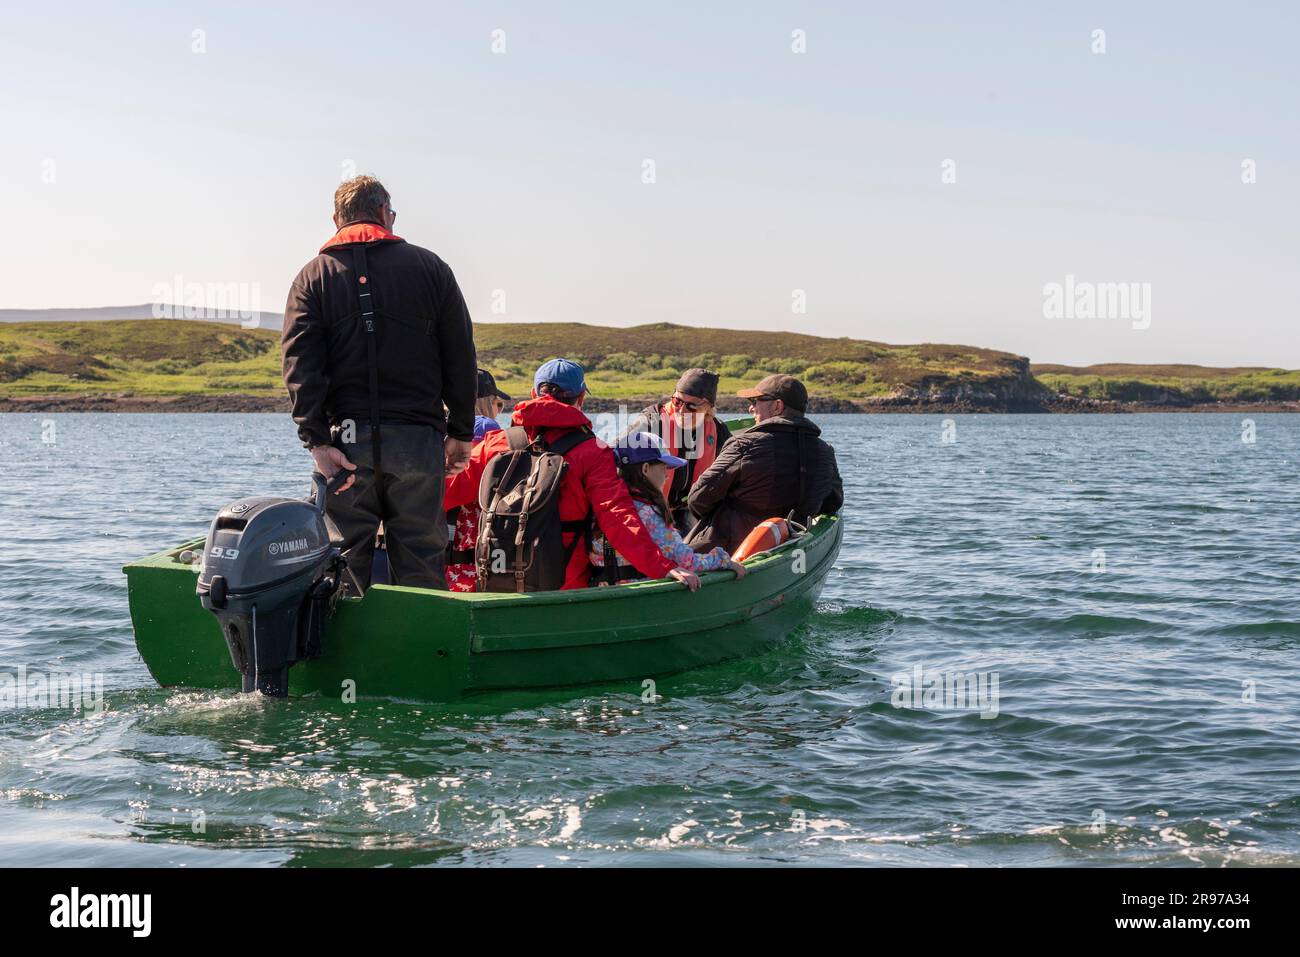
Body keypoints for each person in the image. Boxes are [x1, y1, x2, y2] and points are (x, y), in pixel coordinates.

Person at [282, 175, 477, 590]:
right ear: (386, 213)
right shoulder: (432, 268)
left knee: (343, 562)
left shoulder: (312, 277)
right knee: (423, 560)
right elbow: (460, 356)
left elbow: (300, 368)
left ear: (336, 219)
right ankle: (425, 649)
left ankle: (349, 651)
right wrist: (461, 430)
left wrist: (317, 441)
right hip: (417, 441)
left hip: (345, 448)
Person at [443, 358, 697, 590]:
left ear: (534, 394)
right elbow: (617, 515)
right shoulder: (594, 451)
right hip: (565, 583)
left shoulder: (496, 443)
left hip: (498, 576)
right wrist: (662, 567)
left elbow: (441, 494)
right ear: (581, 398)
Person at [686, 374, 843, 554]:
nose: (751, 407)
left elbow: (697, 498)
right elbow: (833, 503)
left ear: (777, 405)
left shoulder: (744, 445)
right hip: (790, 545)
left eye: (756, 400)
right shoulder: (825, 452)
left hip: (727, 550)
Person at [590, 432, 747, 589]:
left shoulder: (607, 507)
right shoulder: (648, 513)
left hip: (604, 590)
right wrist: (721, 560)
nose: (667, 475)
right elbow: (685, 560)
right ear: (645, 469)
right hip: (640, 594)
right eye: (664, 467)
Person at [623, 368, 733, 535]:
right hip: (645, 511)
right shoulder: (650, 423)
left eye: (691, 406)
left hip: (687, 510)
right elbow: (612, 456)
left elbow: (738, 464)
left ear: (708, 409)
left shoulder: (717, 430)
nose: (682, 410)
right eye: (678, 401)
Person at [444, 370, 509, 591]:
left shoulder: (442, 430)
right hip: (477, 568)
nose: (499, 411)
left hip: (442, 567)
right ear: (485, 401)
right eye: (498, 404)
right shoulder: (489, 431)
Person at [474, 368, 510, 440]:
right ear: (489, 403)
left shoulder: (448, 426)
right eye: (499, 404)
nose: (499, 411)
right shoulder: (487, 426)